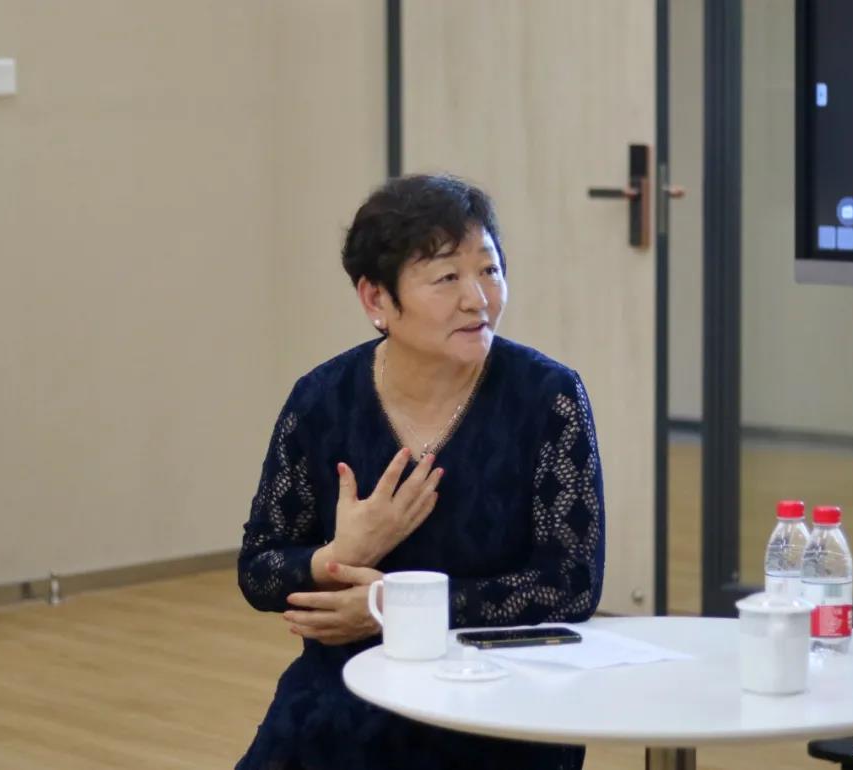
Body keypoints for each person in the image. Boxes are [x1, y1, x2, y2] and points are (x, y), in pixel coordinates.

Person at [234, 174, 606, 770]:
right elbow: (258, 571)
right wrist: (339, 556)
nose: (478, 299)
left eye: (489, 270)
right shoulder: (322, 399)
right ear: (376, 300)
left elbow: (571, 585)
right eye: (446, 278)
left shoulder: (547, 396)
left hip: (499, 694)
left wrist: (396, 607)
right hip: (350, 689)